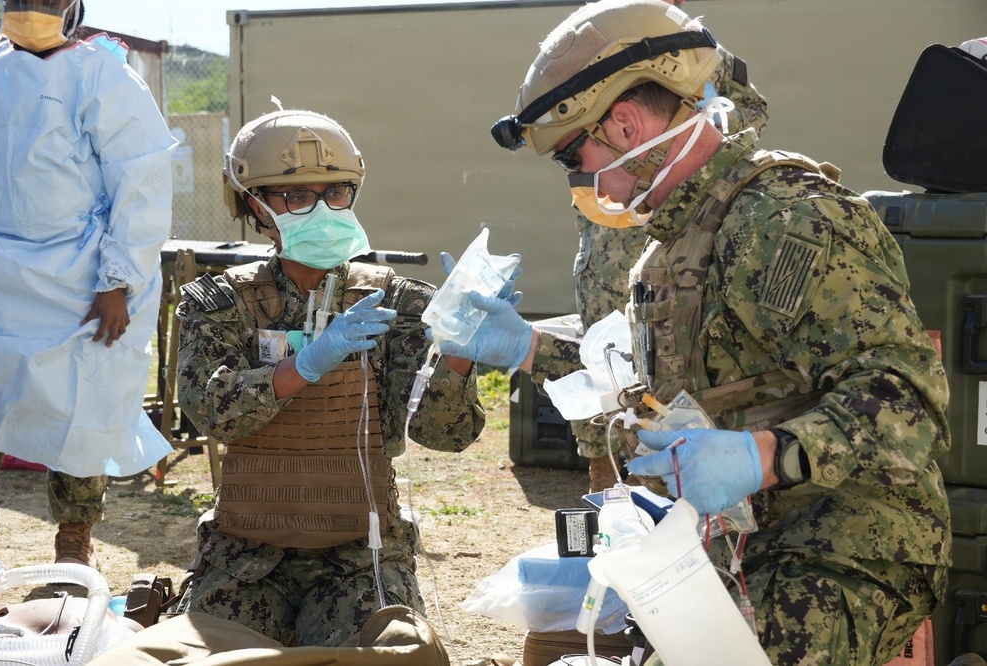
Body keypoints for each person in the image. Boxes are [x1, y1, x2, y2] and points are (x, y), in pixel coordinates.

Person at [446, 1, 951, 663]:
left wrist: (760, 456)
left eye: (575, 155)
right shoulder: (667, 254)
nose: (579, 180)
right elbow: (637, 387)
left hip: (843, 546)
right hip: (738, 547)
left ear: (626, 125)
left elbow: (908, 400)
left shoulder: (789, 219)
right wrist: (529, 347)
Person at [174, 107, 486, 647]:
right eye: (296, 196)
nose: (320, 208)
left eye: (335, 193)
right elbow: (209, 410)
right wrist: (304, 366)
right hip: (245, 553)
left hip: (359, 556)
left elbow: (444, 434)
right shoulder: (220, 303)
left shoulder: (399, 304)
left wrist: (459, 354)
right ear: (255, 206)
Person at [0, 0, 175, 568]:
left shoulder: (101, 73)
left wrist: (116, 281)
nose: (28, 11)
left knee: (81, 409)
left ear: (72, 8)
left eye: (43, 1)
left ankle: (74, 545)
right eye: (19, 0)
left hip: (81, 284)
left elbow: (140, 179)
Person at [572, 0, 769, 492]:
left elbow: (747, 116)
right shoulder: (587, 48)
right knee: (605, 360)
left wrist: (682, 126)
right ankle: (606, 477)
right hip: (606, 248)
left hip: (673, 237)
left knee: (670, 367)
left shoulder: (695, 52)